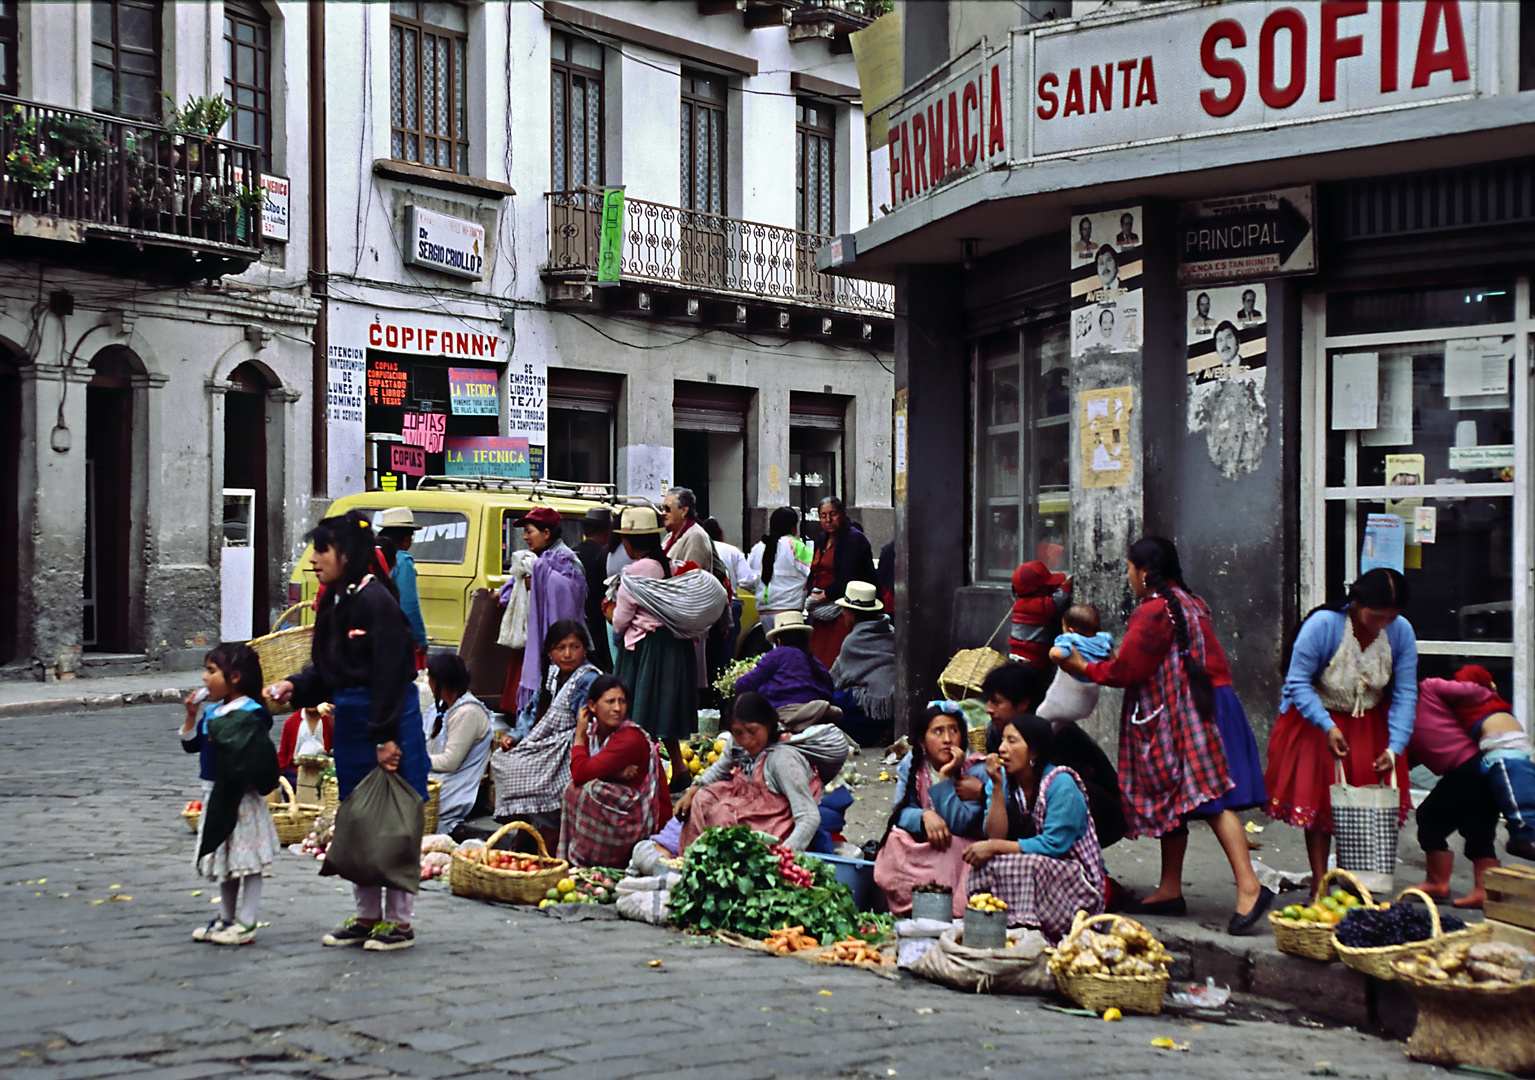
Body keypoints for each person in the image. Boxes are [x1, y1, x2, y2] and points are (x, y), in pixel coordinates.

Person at [1056, 537, 1271, 933]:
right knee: (1179, 799)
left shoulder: (1154, 612)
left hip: (1190, 714)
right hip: (1211, 703)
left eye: (1128, 569)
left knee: (1209, 800)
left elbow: (1127, 672)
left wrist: (1081, 666)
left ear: (1143, 572)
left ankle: (1250, 887)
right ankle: (1170, 889)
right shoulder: (1192, 602)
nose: (1128, 577)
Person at [266, 510, 429, 953]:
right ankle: (366, 916)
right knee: (358, 819)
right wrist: (293, 685)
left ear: (347, 554)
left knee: (394, 821)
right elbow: (325, 668)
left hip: (387, 718)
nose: (314, 559)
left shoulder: (379, 603)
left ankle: (399, 922)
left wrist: (386, 737)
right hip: (354, 720)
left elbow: (393, 674)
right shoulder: (335, 603)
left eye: (322, 550)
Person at [1264, 567, 1416, 894]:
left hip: (1370, 727)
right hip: (1317, 723)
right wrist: (1327, 726)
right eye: (1376, 616)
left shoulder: (1401, 633)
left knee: (1363, 809)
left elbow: (1405, 693)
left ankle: (1356, 885)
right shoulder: (1324, 626)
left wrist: (1396, 746)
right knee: (1322, 807)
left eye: (1391, 618)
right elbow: (1297, 681)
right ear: (1356, 603)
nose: (1383, 625)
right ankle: (1320, 885)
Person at [962, 714, 1107, 944]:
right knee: (986, 862)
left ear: (1034, 753)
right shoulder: (1003, 780)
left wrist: (994, 846)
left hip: (1075, 880)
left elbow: (1054, 845)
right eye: (1002, 741)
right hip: (1040, 872)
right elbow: (995, 834)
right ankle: (998, 928)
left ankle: (1030, 932)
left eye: (1013, 741)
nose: (1002, 749)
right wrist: (997, 788)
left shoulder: (1061, 784)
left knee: (1028, 863)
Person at [182, 642, 280, 947]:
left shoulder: (253, 714)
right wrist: (190, 716)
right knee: (225, 861)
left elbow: (253, 755)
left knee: (247, 862)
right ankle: (225, 918)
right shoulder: (212, 712)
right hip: (214, 794)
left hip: (241, 799)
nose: (204, 678)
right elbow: (191, 744)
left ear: (235, 676)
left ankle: (247, 921)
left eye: (211, 671)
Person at [982, 662, 1125, 850]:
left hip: (1102, 815)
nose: (988, 709)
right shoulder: (996, 733)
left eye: (996, 702)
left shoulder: (1059, 735)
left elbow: (1051, 797)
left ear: (1023, 704)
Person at [490, 620, 601, 849]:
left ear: (585, 649)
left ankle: (546, 828)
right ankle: (526, 823)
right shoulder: (552, 675)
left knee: (534, 774)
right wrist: (517, 735)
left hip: (572, 745)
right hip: (548, 742)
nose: (568, 654)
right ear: (550, 652)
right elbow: (531, 711)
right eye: (561, 648)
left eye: (575, 647)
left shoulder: (588, 679)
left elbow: (586, 726)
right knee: (503, 760)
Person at [612, 505, 700, 793]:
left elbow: (621, 619)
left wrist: (613, 626)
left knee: (642, 711)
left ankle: (645, 777)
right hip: (674, 645)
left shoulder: (636, 571)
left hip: (647, 649)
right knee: (665, 710)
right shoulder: (670, 565)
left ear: (628, 541)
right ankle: (679, 767)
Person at [874, 703, 989, 919]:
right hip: (928, 840)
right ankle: (908, 903)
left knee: (951, 844)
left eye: (954, 730)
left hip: (962, 847)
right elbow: (899, 811)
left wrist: (947, 777)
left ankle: (944, 908)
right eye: (938, 731)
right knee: (896, 838)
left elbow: (960, 823)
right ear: (922, 741)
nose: (948, 739)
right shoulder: (913, 763)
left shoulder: (976, 769)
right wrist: (925, 816)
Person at [675, 691, 823, 853]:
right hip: (752, 805)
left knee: (722, 816)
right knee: (702, 800)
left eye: (753, 731)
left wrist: (784, 856)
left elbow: (808, 817)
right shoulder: (738, 745)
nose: (746, 740)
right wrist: (692, 791)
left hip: (774, 826)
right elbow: (721, 767)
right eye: (738, 733)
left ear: (768, 724)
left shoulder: (784, 760)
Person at [558, 674, 673, 867]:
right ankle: (577, 858)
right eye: (610, 702)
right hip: (615, 810)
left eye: (622, 701)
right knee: (571, 790)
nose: (617, 708)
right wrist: (612, 774)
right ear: (593, 707)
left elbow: (580, 773)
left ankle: (590, 861)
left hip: (637, 816)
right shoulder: (594, 732)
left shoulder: (629, 738)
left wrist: (578, 737)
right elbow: (580, 774)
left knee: (591, 791)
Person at [1450, 666, 1535, 863]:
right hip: (1503, 754)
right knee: (1518, 798)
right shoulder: (1471, 697)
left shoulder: (1493, 701)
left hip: (1517, 751)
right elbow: (1465, 683)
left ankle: (1522, 834)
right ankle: (1521, 837)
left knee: (1525, 793)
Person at [510, 507, 588, 715]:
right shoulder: (543, 563)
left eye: (529, 531)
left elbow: (566, 616)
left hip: (560, 653)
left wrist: (559, 652)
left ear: (547, 533)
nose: (526, 537)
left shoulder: (564, 565)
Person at [424, 653, 493, 838]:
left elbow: (450, 762)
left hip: (458, 787)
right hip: (438, 778)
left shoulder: (468, 713)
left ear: (439, 683)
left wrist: (412, 759)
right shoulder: (441, 708)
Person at [806, 496, 877, 669]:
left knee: (835, 656)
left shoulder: (854, 539)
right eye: (823, 516)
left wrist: (827, 594)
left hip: (843, 610)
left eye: (833, 514)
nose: (828, 520)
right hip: (821, 610)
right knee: (817, 656)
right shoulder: (822, 539)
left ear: (843, 515)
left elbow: (849, 574)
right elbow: (813, 571)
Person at [829, 582, 896, 745]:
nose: (843, 614)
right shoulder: (890, 631)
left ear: (853, 615)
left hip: (872, 707)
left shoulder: (852, 641)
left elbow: (838, 679)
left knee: (831, 698)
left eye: (845, 610)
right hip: (891, 702)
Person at [734, 611, 834, 713]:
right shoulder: (818, 664)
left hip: (786, 713)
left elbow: (743, 685)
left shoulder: (779, 654)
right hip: (819, 713)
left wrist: (741, 678)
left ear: (779, 640)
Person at [1036, 604, 1112, 729]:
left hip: (1067, 697)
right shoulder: (1104, 639)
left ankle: (1032, 745)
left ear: (1070, 630)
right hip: (1088, 703)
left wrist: (1052, 654)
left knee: (1041, 715)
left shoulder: (1070, 639)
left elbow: (1058, 654)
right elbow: (1111, 661)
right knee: (1057, 724)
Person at [748, 507, 813, 636]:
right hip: (789, 613)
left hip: (765, 613)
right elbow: (814, 570)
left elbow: (747, 580)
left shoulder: (757, 548)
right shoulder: (796, 546)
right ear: (794, 527)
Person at [703, 516, 755, 673]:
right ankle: (722, 688)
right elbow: (747, 581)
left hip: (704, 606)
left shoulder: (701, 547)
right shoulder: (732, 551)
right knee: (726, 653)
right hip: (729, 604)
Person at [378, 507, 428, 669]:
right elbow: (409, 605)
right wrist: (420, 639)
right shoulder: (403, 561)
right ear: (406, 539)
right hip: (397, 635)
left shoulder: (371, 556)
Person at [573, 507, 615, 673]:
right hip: (597, 627)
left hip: (575, 623)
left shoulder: (572, 552)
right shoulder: (604, 556)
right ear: (607, 532)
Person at [1008, 560, 1071, 669]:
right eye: (1047, 586)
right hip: (1035, 660)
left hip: (1015, 655)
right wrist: (1066, 585)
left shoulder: (1018, 604)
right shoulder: (1041, 605)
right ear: (1037, 589)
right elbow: (1060, 598)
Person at [277, 704, 333, 787]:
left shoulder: (329, 720)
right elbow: (283, 753)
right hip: (296, 772)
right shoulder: (291, 722)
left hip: (325, 771)